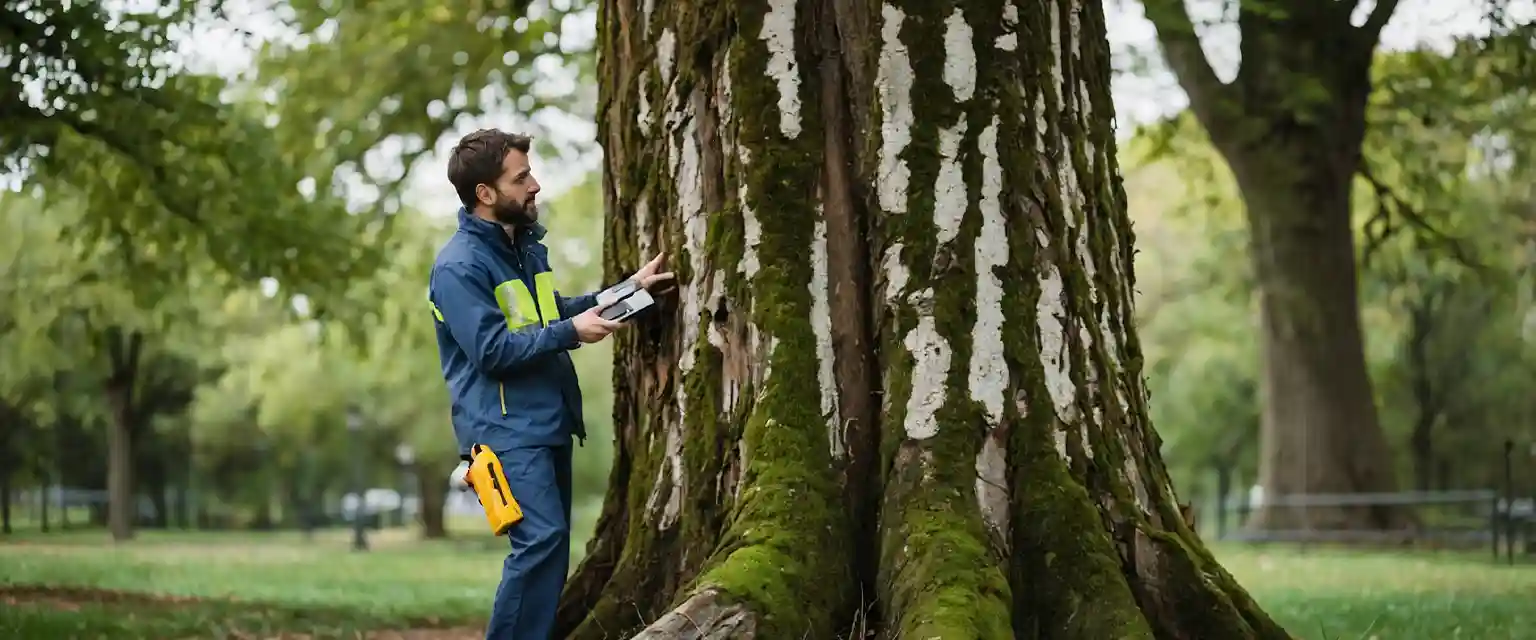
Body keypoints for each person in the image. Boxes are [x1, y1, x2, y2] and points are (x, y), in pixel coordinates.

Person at [428, 128, 672, 639]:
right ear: (485, 194)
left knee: (551, 546)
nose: (535, 185)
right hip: (505, 431)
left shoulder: (523, 250)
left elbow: (552, 313)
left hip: (546, 420)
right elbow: (492, 351)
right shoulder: (459, 266)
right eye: (521, 178)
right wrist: (570, 334)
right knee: (539, 543)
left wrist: (630, 292)